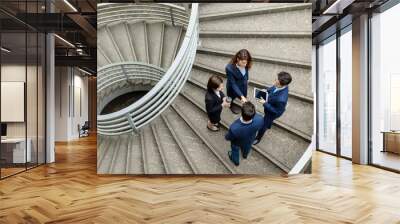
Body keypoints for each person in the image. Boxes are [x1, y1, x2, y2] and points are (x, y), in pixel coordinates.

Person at [253, 71, 292, 145]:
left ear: (283, 85)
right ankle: (269, 124)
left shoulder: (281, 99)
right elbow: (273, 88)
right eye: (275, 79)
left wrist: (264, 103)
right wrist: (266, 90)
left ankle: (258, 137)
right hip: (272, 104)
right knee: (267, 122)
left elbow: (276, 111)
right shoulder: (280, 85)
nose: (274, 83)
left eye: (276, 82)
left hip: (272, 113)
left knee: (263, 125)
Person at [225, 102, 263, 166]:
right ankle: (245, 155)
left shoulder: (234, 128)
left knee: (235, 150)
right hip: (250, 139)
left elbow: (228, 137)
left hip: (237, 143)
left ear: (241, 113)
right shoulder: (260, 119)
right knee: (247, 147)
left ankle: (236, 161)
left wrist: (226, 137)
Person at [225, 49, 252, 114]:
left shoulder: (246, 64)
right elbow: (233, 84)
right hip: (233, 87)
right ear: (238, 59)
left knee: (243, 96)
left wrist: (247, 79)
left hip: (243, 85)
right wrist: (241, 96)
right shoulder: (229, 68)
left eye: (246, 62)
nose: (245, 65)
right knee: (231, 97)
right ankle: (231, 105)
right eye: (243, 63)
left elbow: (246, 71)